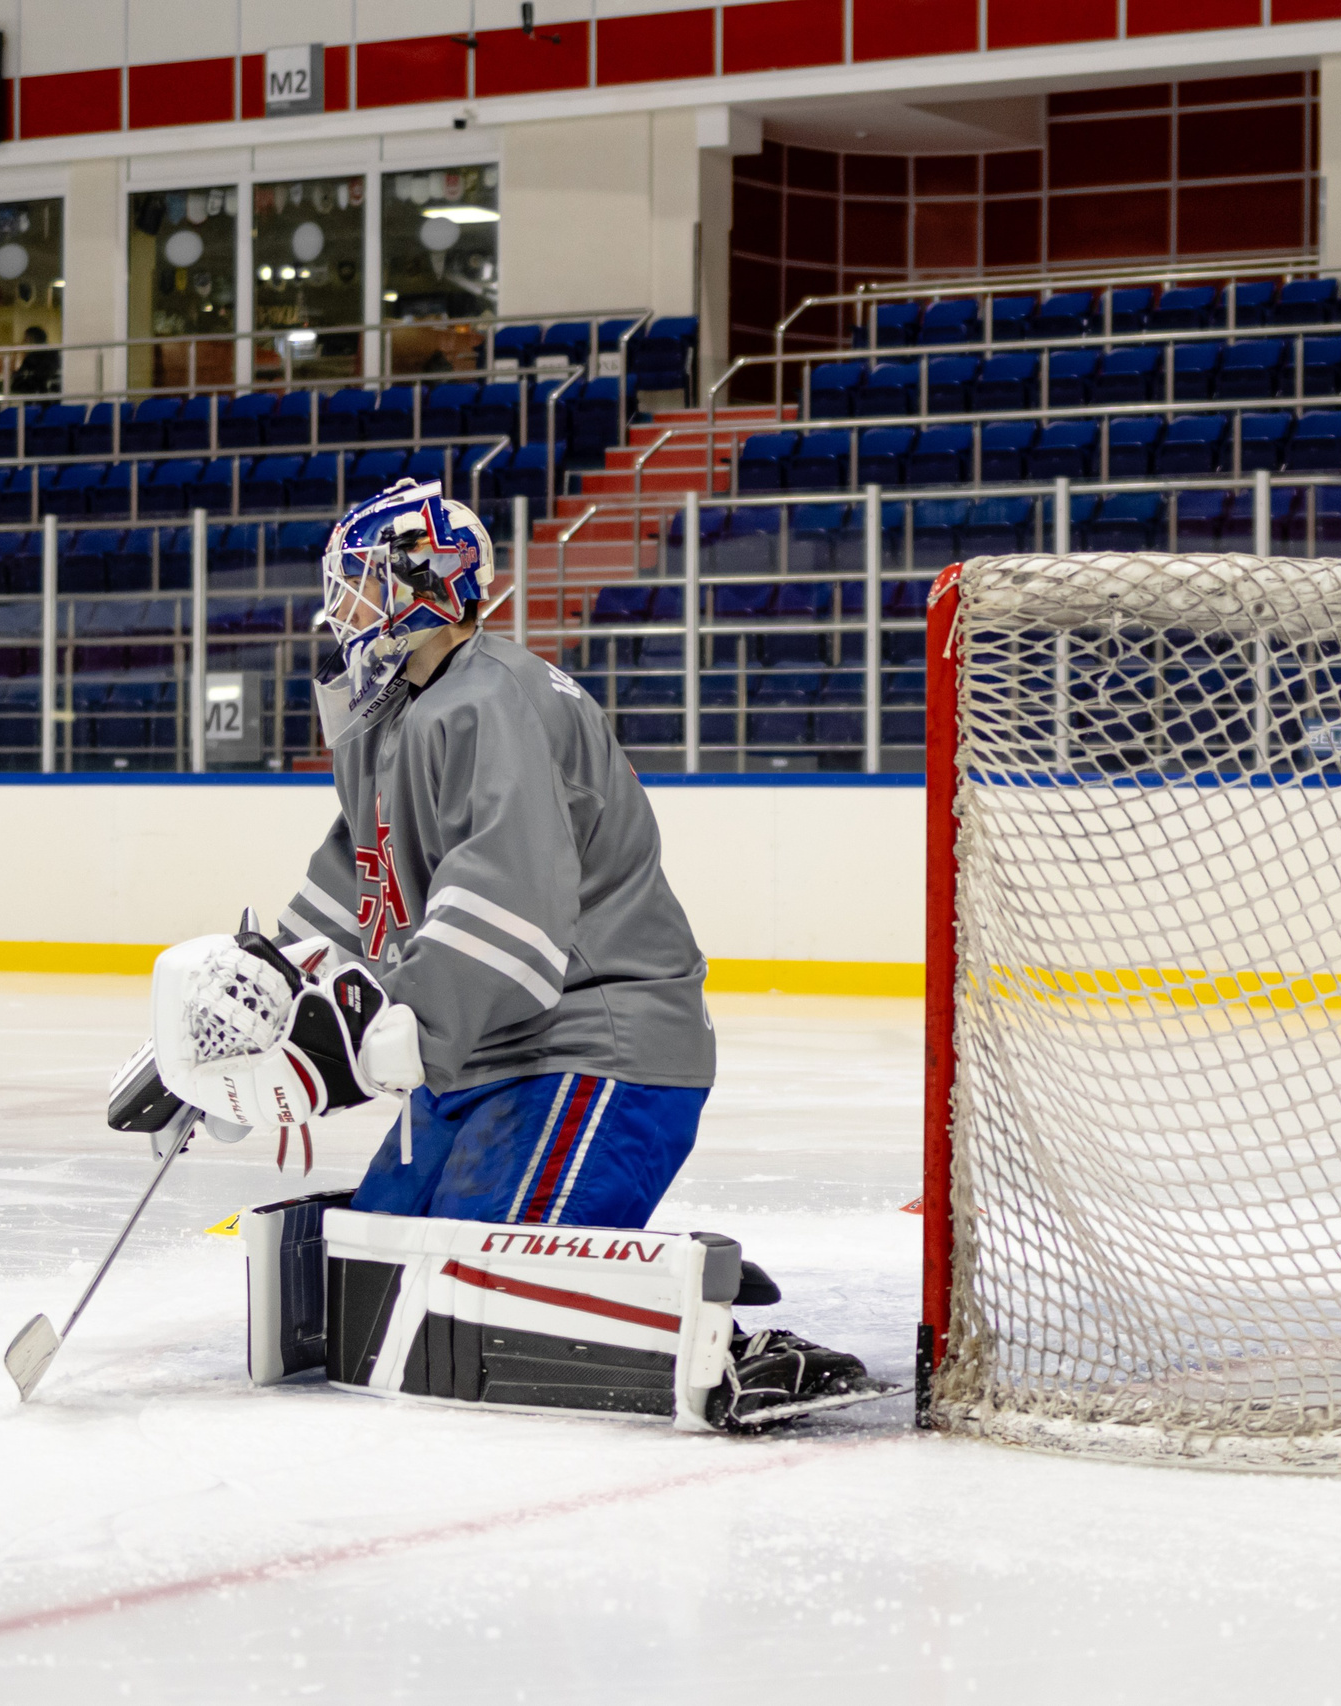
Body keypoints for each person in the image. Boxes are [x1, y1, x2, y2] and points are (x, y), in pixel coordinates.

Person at [148, 480, 876, 1427]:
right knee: (374, 1285)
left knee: (471, 1301)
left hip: (594, 1044)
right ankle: (630, 1289)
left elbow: (511, 907)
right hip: (480, 1057)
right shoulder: (387, 719)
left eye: (362, 583)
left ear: (431, 582)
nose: (342, 607)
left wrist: (389, 1035)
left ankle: (720, 1346)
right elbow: (356, 896)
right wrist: (236, 1029)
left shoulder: (492, 701)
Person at [8, 325, 60, 396]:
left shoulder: (33, 357)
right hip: (48, 391)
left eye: (26, 339)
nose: (24, 342)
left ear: (32, 339)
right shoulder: (54, 353)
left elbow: (19, 377)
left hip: (37, 392)